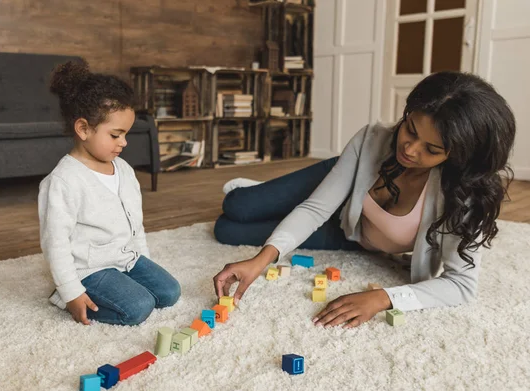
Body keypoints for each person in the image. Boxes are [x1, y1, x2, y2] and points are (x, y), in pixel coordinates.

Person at [212, 71, 516, 329]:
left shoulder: (465, 196)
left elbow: (461, 285)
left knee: (226, 231)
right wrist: (260, 261)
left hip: (350, 233)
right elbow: (316, 208)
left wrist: (384, 297)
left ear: (459, 156)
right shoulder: (373, 139)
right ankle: (266, 189)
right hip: (348, 178)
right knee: (238, 206)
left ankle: (280, 193)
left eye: (431, 149)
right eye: (410, 129)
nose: (410, 150)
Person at [38, 60, 180, 326]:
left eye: (125, 134)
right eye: (115, 135)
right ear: (83, 129)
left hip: (125, 259)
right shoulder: (63, 181)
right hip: (90, 269)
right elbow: (55, 243)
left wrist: (143, 264)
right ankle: (62, 298)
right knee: (138, 307)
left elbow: (135, 224)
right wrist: (72, 291)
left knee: (170, 292)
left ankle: (125, 284)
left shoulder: (124, 170)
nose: (124, 142)